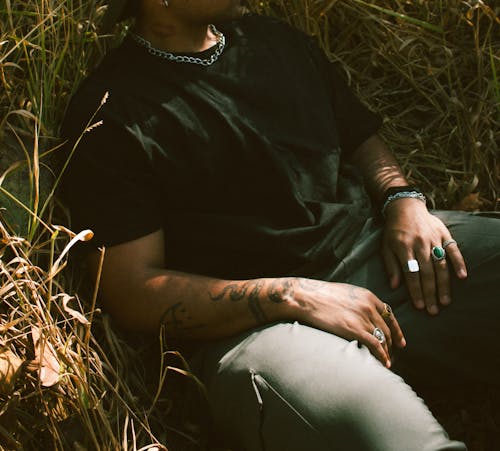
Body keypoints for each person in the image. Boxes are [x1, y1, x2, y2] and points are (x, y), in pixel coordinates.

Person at [60, 1, 500, 449]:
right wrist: (291, 294)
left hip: (379, 267)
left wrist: (401, 200)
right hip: (259, 335)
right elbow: (133, 290)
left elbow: (357, 136)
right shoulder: (111, 111)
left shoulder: (274, 41)